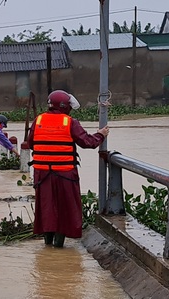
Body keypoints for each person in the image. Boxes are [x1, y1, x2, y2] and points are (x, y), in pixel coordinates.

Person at [27, 90, 109, 248]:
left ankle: (48, 246)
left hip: (42, 175)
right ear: (64, 106)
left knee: (47, 208)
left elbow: (31, 144)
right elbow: (87, 142)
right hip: (65, 174)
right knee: (65, 209)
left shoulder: (38, 120)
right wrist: (101, 135)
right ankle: (59, 246)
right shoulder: (70, 122)